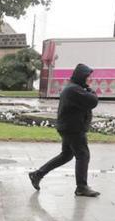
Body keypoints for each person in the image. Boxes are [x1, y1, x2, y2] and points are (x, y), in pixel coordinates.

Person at [29, 63, 100, 197]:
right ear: (81, 76)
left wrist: (87, 89)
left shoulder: (75, 88)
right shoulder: (74, 90)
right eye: (88, 77)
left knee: (66, 155)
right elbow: (93, 101)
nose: (89, 80)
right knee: (83, 155)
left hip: (69, 127)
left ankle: (37, 174)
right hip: (73, 128)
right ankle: (81, 187)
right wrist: (91, 90)